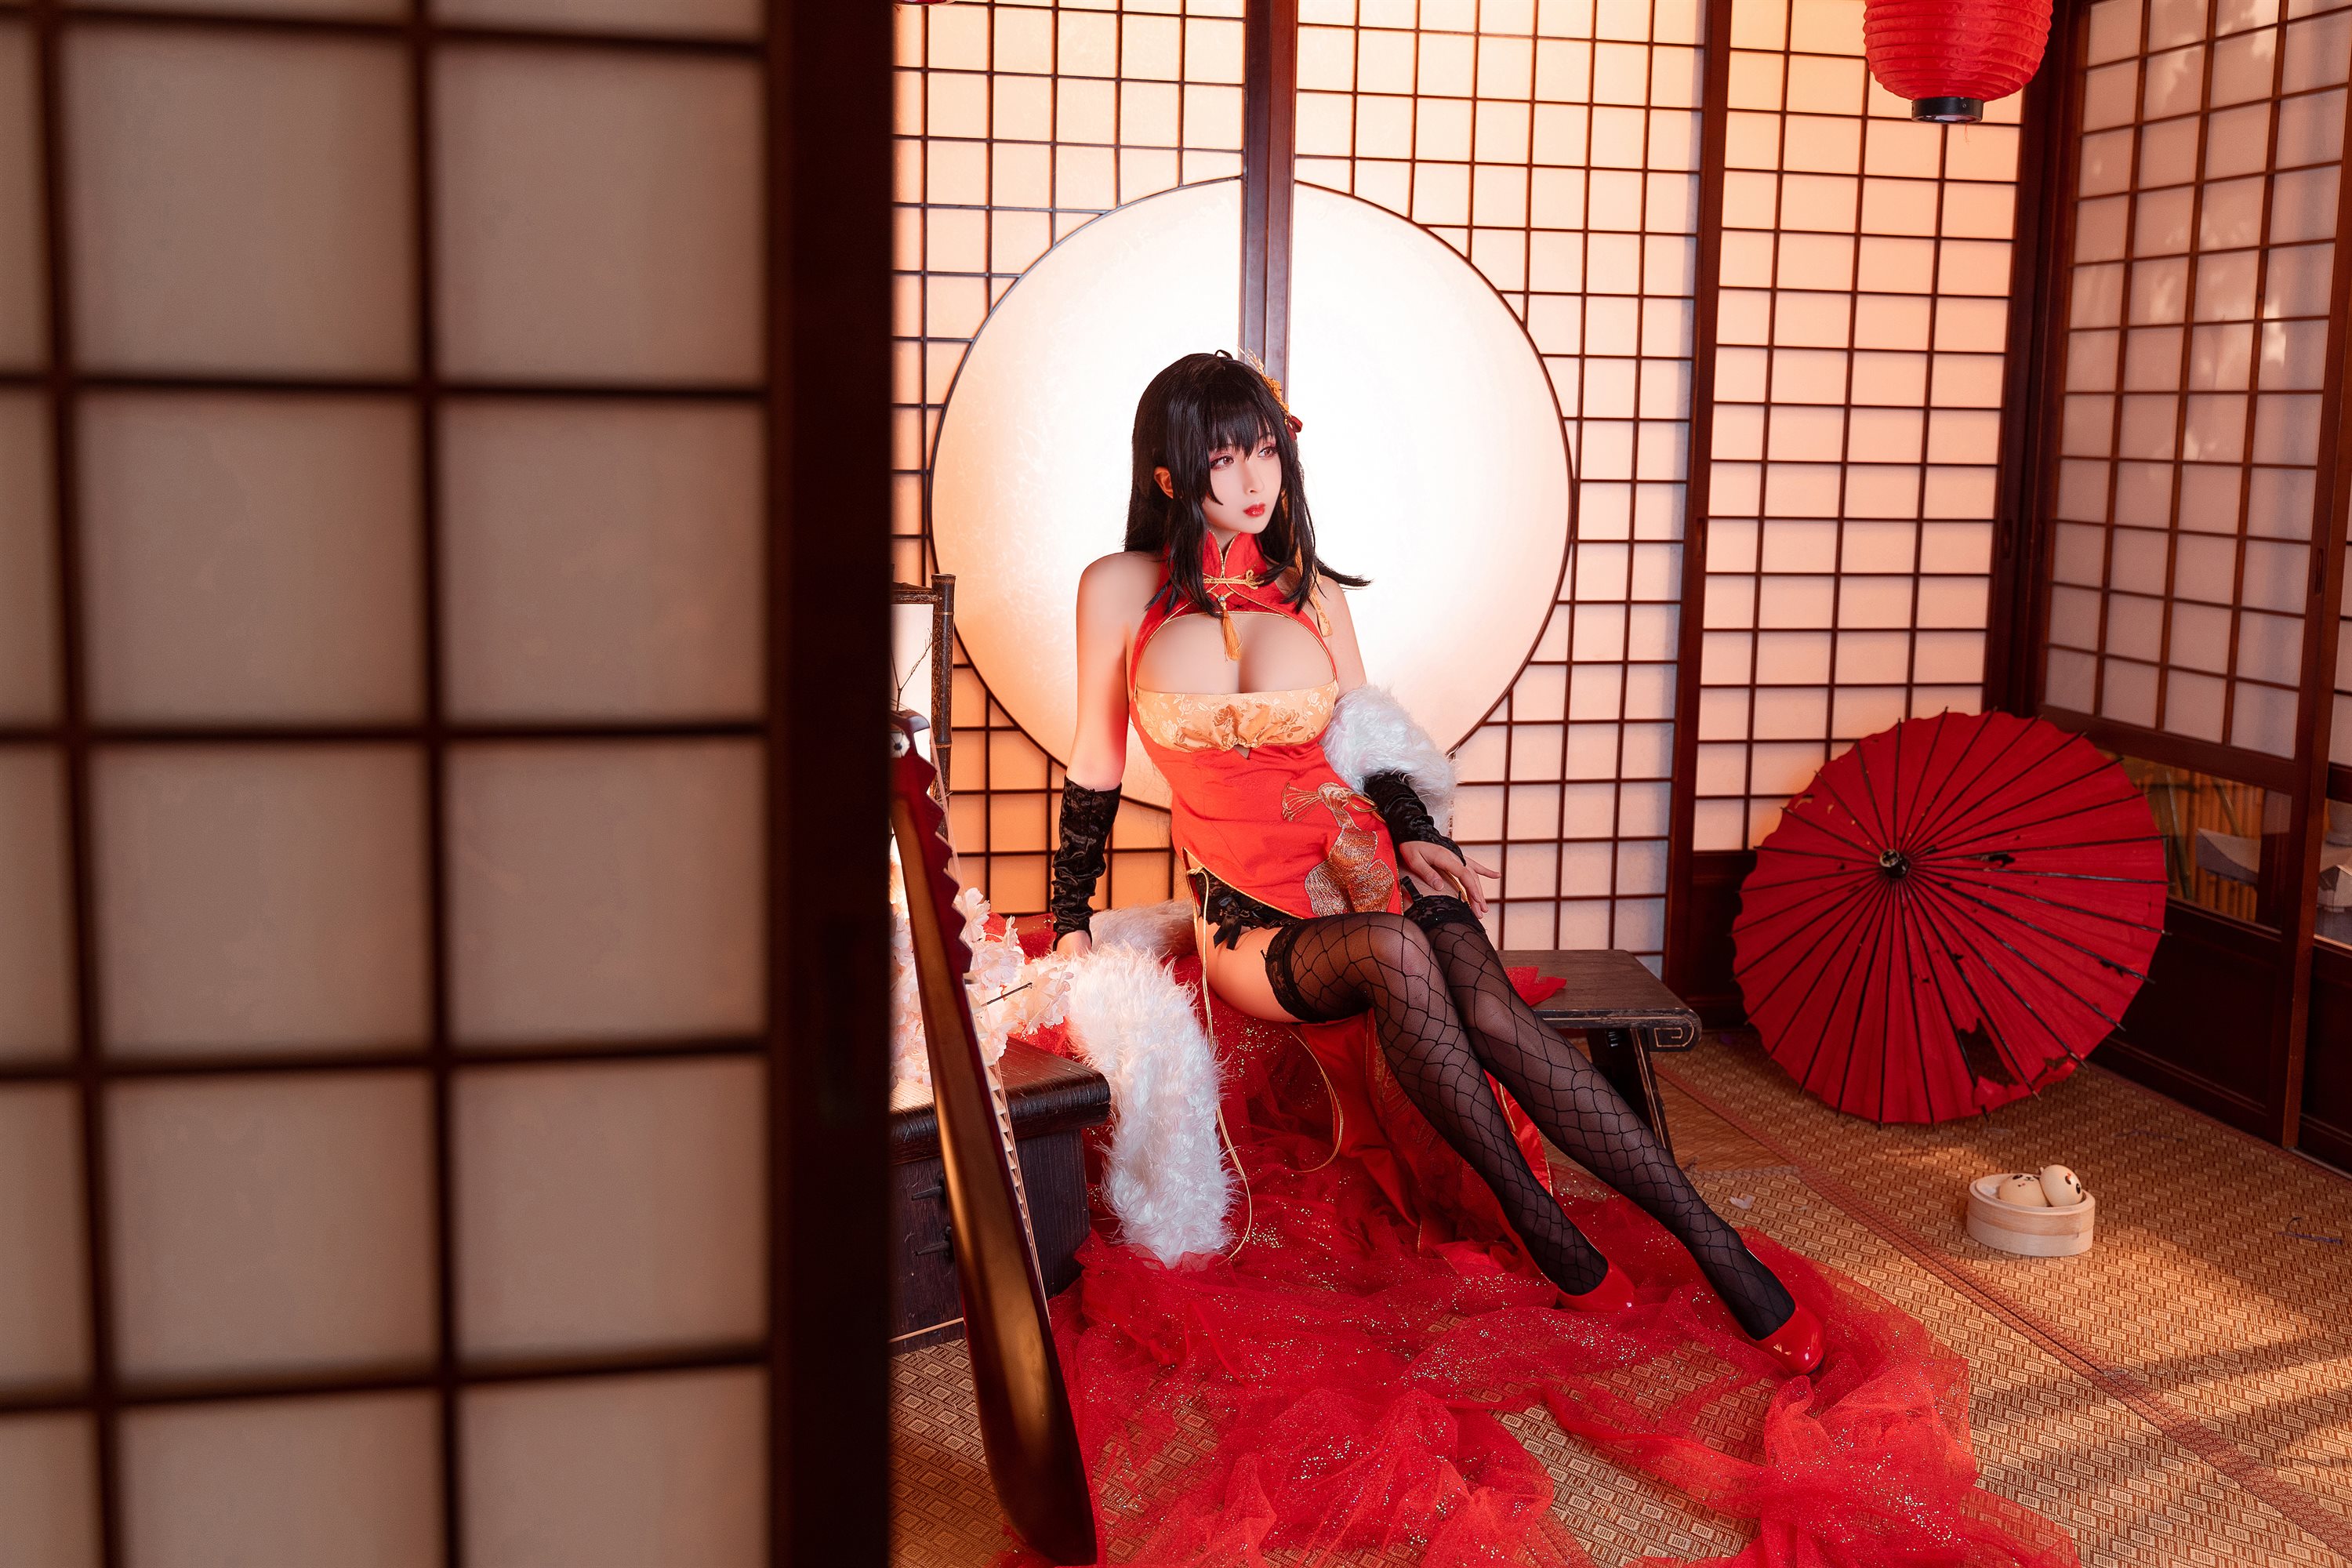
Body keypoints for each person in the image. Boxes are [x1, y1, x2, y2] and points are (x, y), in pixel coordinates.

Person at [1046, 349, 1823, 1371]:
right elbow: (1095, 765)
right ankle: (1546, 1229)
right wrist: (1069, 918)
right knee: (1399, 955)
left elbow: (1365, 738)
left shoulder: (1312, 591)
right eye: (1224, 458)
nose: (1253, 478)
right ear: (1168, 473)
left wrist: (1418, 830)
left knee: (1493, 1011)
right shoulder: (1118, 589)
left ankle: (1715, 1244)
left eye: (1265, 450)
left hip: (1366, 863)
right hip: (1251, 917)